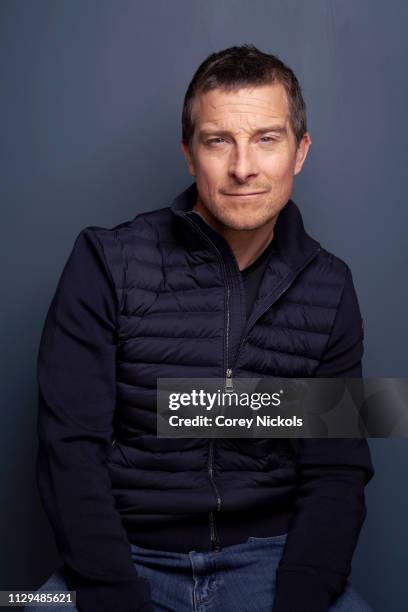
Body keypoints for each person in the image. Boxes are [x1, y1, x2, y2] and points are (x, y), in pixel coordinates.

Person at [30, 45, 375, 612]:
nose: (243, 167)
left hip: (272, 562)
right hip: (125, 559)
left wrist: (300, 600)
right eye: (219, 141)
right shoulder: (104, 262)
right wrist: (118, 598)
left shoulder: (330, 287)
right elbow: (69, 452)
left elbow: (337, 469)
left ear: (300, 151)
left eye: (267, 138)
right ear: (190, 155)